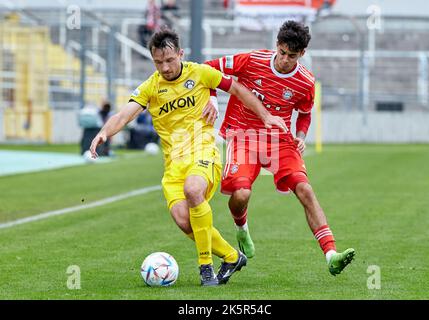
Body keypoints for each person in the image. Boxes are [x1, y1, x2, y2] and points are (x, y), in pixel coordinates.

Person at [89, 28, 288, 286]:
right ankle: (231, 256)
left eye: (170, 60)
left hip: (203, 153)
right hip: (173, 166)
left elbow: (237, 89)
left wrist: (265, 115)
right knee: (184, 222)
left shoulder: (201, 73)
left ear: (180, 54)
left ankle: (205, 268)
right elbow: (124, 115)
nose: (165, 67)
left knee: (194, 190)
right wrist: (104, 133)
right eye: (158, 62)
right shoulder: (151, 86)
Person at [203, 20, 355, 276]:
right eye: (282, 52)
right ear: (277, 45)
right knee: (241, 195)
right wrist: (212, 101)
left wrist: (301, 135)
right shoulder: (251, 61)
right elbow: (207, 70)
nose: (284, 59)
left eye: (291, 56)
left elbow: (305, 113)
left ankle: (331, 254)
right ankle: (242, 229)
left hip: (279, 140)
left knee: (305, 189)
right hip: (243, 135)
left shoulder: (305, 81)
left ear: (302, 54)